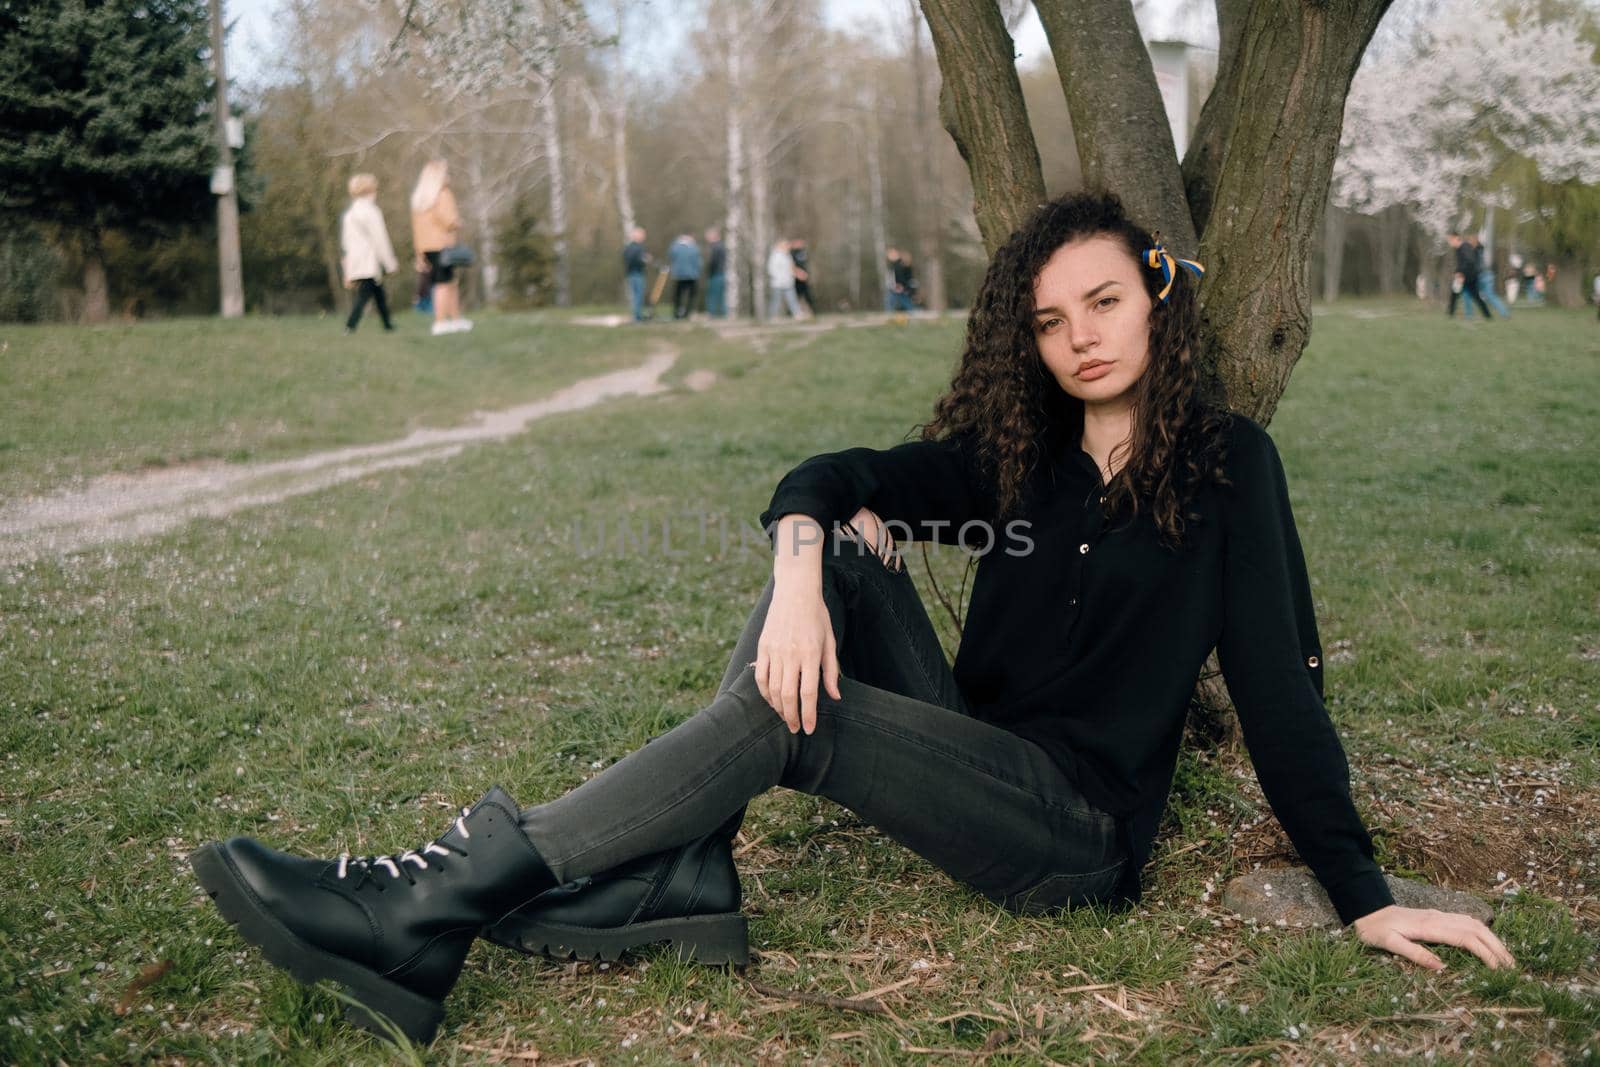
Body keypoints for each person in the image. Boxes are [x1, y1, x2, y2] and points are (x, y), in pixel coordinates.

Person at [189, 192, 1516, 1047]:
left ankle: (440, 897)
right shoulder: (1027, 457)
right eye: (1053, 321)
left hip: (1072, 828)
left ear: (1157, 298)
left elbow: (1282, 693)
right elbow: (827, 475)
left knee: (789, 704)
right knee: (837, 570)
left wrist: (1364, 895)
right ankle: (683, 876)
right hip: (977, 748)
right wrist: (801, 563)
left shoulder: (1229, 466)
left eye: (1106, 302)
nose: (1083, 339)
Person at [411, 160, 470, 335]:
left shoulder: (419, 199)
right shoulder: (443, 194)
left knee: (448, 282)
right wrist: (459, 223)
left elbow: (417, 229)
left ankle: (455, 319)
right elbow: (449, 220)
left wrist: (419, 253)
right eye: (445, 172)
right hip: (443, 246)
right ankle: (441, 321)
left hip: (427, 248)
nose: (448, 176)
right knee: (445, 284)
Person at [339, 173, 398, 334]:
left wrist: (348, 268)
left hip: (357, 261)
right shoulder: (372, 211)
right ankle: (349, 326)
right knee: (364, 295)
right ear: (370, 190)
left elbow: (346, 242)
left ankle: (388, 325)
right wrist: (389, 263)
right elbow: (380, 239)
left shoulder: (349, 214)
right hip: (370, 261)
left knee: (378, 293)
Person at [1446, 232, 1492, 320]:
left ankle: (1488, 316)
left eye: (1450, 240)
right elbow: (1462, 263)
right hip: (1464, 277)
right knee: (1454, 294)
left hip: (1469, 277)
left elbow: (1470, 261)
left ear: (1456, 238)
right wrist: (1457, 271)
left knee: (1476, 297)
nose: (1449, 242)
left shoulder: (1465, 247)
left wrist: (1461, 273)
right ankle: (1450, 315)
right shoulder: (1458, 249)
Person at [1460, 234, 1509, 319]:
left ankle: (1468, 315)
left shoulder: (1473, 251)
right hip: (1488, 275)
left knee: (1467, 293)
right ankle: (1505, 313)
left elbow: (1473, 266)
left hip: (1480, 276)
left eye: (1468, 241)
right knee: (1490, 295)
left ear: (1474, 241)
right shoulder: (1481, 249)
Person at [668, 233, 702, 321]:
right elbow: (698, 262)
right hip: (691, 275)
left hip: (679, 275)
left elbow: (671, 255)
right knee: (691, 295)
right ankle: (687, 313)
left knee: (678, 295)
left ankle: (677, 313)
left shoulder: (675, 247)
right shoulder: (694, 248)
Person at [766, 238, 801, 319]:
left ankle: (797, 314)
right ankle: (772, 316)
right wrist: (779, 278)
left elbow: (790, 267)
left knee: (792, 299)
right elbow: (771, 269)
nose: (788, 247)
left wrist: (796, 274)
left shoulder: (788, 256)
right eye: (786, 245)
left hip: (788, 282)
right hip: (777, 283)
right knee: (776, 300)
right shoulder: (775, 256)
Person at [623, 226, 650, 322]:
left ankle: (637, 315)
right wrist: (644, 260)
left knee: (636, 295)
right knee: (639, 295)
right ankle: (637, 316)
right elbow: (636, 260)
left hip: (631, 273)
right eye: (642, 235)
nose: (644, 237)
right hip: (637, 273)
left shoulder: (628, 247)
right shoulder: (637, 248)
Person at [704, 227, 727, 318]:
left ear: (713, 236)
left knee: (713, 295)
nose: (707, 239)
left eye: (708, 236)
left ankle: (712, 313)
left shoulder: (716, 247)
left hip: (716, 273)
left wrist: (708, 269)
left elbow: (713, 262)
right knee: (721, 295)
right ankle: (723, 314)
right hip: (721, 273)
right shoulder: (721, 245)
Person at [885, 247, 917, 312]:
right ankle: (913, 311)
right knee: (901, 300)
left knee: (891, 301)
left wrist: (901, 285)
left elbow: (901, 276)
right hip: (898, 286)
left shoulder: (899, 265)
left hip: (898, 286)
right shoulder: (896, 264)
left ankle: (913, 312)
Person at [790, 237, 815, 314]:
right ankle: (797, 312)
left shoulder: (803, 251)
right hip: (796, 278)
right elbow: (791, 265)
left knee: (807, 295)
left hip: (804, 277)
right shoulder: (792, 253)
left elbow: (805, 264)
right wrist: (798, 274)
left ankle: (811, 311)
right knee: (795, 296)